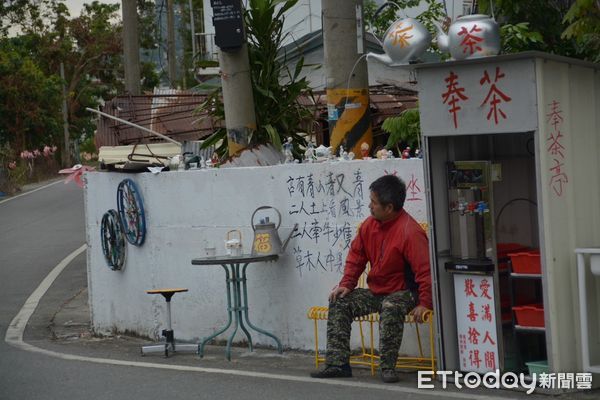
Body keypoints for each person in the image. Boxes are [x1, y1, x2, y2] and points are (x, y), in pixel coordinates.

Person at [310, 174, 432, 383]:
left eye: (374, 203)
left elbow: (425, 271)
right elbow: (356, 256)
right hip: (378, 291)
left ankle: (387, 368)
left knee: (391, 305)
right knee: (340, 301)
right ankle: (337, 364)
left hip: (404, 293)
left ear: (389, 207)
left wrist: (425, 302)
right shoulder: (369, 225)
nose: (370, 206)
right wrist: (346, 284)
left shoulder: (410, 232)